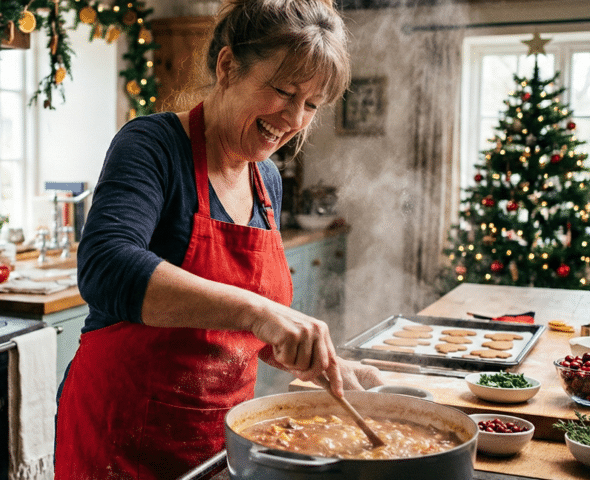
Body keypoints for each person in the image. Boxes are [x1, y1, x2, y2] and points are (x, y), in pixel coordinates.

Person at [55, 1, 383, 478]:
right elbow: (106, 266)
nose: (293, 118)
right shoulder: (153, 146)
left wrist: (316, 361)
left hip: (218, 444)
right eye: (284, 91)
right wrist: (261, 312)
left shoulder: (266, 180)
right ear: (228, 66)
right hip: (119, 441)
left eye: (311, 105)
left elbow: (236, 332)